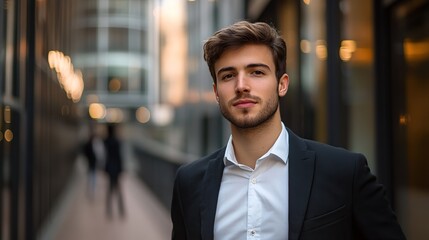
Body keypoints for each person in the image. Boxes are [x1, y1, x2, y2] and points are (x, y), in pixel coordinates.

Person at [170, 21, 406, 239]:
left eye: (257, 72)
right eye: (228, 75)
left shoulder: (345, 172)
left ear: (282, 85)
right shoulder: (189, 182)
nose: (241, 86)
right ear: (216, 92)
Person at [104, 123, 125, 218]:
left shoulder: (106, 142)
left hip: (110, 168)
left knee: (110, 189)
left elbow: (105, 156)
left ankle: (109, 210)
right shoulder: (117, 142)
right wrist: (121, 168)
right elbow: (119, 156)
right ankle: (121, 210)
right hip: (116, 168)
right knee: (118, 190)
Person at [82, 122, 106, 200]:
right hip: (92, 162)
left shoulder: (92, 142)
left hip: (92, 162)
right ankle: (92, 191)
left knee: (92, 176)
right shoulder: (92, 143)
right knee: (92, 176)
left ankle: (92, 191)